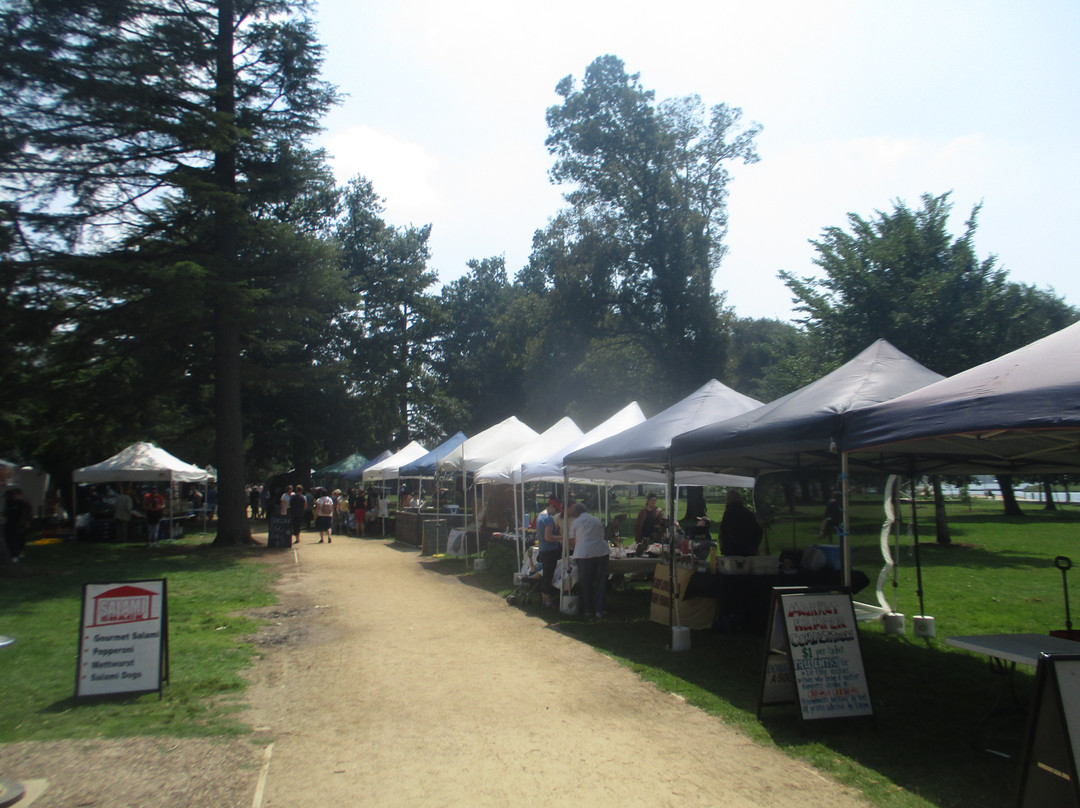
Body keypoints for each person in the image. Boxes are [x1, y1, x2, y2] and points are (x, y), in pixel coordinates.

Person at [568, 502, 609, 618]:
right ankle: (599, 610)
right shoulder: (596, 519)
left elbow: (571, 542)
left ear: (576, 513)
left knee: (586, 582)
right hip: (601, 552)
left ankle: (587, 609)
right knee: (600, 582)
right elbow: (603, 535)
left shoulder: (575, 522)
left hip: (584, 553)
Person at [718, 489, 763, 556]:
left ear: (728, 499)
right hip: (748, 550)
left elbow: (727, 531)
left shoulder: (728, 513)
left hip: (731, 550)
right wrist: (753, 546)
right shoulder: (749, 513)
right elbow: (759, 531)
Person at [535, 498, 562, 609]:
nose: (556, 512)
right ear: (551, 506)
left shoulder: (540, 516)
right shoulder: (548, 519)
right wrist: (562, 537)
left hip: (543, 549)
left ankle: (545, 599)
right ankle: (548, 601)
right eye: (556, 509)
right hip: (550, 550)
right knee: (548, 576)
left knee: (546, 574)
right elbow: (549, 537)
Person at [3, 487, 33, 563]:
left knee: (18, 539)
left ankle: (17, 554)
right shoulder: (9, 503)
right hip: (9, 524)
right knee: (9, 539)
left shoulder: (22, 504)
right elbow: (6, 513)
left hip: (19, 524)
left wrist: (27, 521)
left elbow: (27, 513)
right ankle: (13, 554)